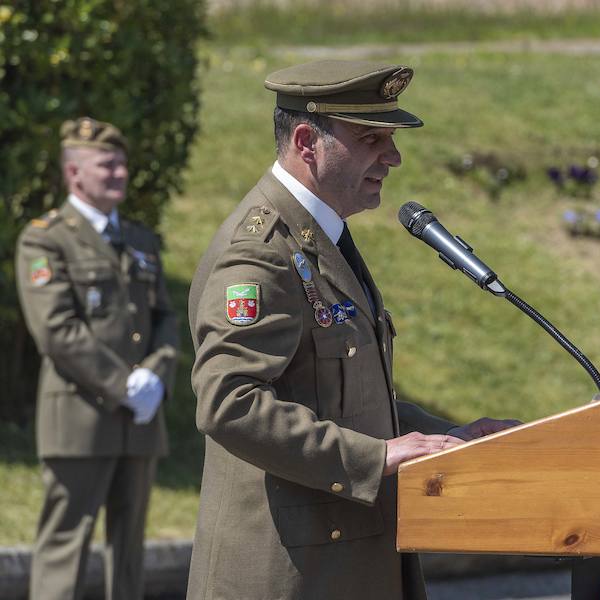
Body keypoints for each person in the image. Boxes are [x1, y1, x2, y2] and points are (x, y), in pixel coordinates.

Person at [186, 59, 518, 599]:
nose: (393, 157)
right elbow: (230, 404)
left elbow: (338, 396)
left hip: (342, 564)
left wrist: (441, 438)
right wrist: (377, 458)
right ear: (306, 141)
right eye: (371, 139)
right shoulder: (261, 252)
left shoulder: (318, 236)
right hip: (288, 574)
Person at [15, 117, 178, 600]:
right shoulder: (45, 239)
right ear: (74, 174)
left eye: (122, 164)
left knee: (128, 551)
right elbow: (55, 329)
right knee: (66, 544)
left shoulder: (141, 240)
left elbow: (165, 318)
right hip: (80, 416)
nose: (120, 173)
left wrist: (156, 375)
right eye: (107, 165)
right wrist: (122, 384)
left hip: (141, 418)